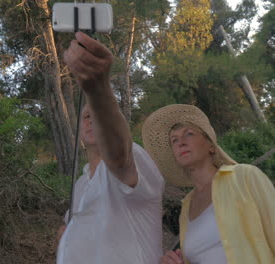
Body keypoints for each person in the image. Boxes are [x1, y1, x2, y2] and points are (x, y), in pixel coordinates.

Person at [56, 32, 164, 264]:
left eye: (95, 114)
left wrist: (98, 90)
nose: (90, 119)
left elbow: (118, 157)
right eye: (85, 116)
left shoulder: (132, 157)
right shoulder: (81, 183)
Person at [142, 104, 275, 264]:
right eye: (174, 140)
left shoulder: (244, 176)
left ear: (211, 146)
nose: (180, 143)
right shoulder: (186, 207)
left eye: (189, 134)